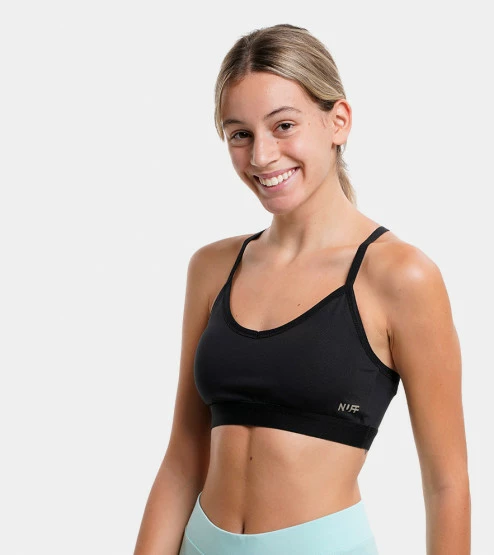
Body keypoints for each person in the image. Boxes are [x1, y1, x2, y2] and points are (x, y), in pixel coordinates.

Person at [134, 23, 470, 555]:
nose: (262, 156)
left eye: (283, 125)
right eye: (239, 134)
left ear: (338, 121)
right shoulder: (212, 267)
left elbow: (446, 485)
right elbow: (183, 458)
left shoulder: (400, 277)